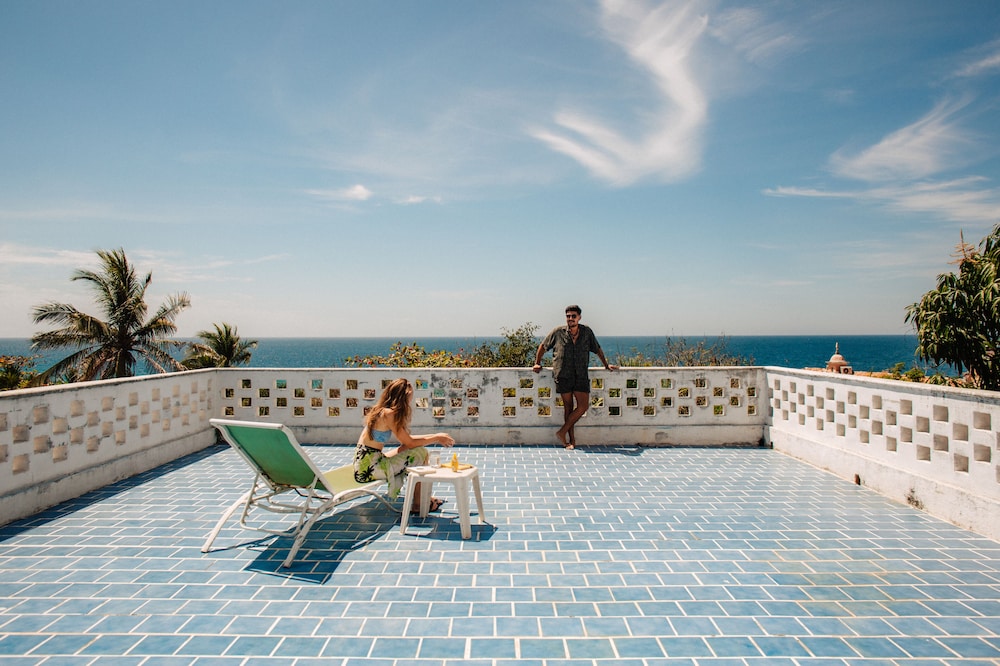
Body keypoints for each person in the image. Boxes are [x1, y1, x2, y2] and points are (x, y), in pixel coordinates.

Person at [354, 378, 455, 512]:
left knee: (410, 449)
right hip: (369, 469)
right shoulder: (389, 414)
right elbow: (410, 442)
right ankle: (419, 504)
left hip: (366, 462)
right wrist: (436, 438)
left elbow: (407, 441)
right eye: (410, 398)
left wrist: (436, 437)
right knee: (421, 453)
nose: (410, 402)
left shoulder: (381, 411)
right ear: (404, 397)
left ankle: (424, 497)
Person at [532, 305, 617, 449]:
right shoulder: (558, 332)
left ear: (579, 317)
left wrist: (606, 365)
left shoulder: (587, 332)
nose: (570, 318)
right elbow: (543, 346)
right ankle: (570, 441)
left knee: (583, 406)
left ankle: (562, 431)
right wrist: (536, 363)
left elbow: (597, 349)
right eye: (568, 316)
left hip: (581, 374)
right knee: (568, 407)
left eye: (573, 316)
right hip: (563, 374)